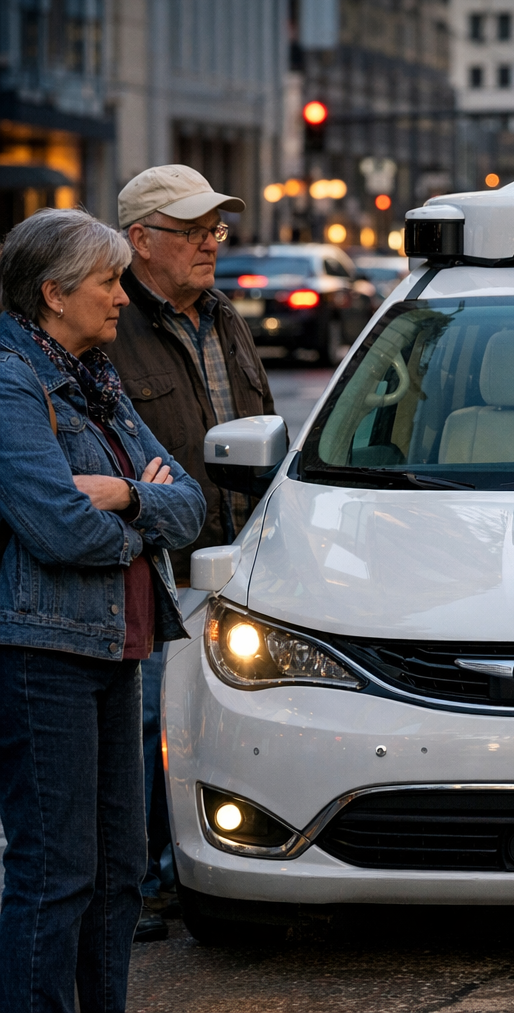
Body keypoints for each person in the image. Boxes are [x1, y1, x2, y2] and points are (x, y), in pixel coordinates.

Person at [0, 207, 206, 1013]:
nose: (122, 297)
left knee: (122, 872)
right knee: (56, 875)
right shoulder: (14, 381)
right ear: (53, 294)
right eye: (107, 281)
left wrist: (123, 495)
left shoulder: (98, 381)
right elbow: (53, 525)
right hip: (41, 654)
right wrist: (139, 523)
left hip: (121, 650)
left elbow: (186, 500)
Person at [103, 164, 279, 940]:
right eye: (194, 231)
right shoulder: (108, 323)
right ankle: (140, 881)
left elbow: (260, 420)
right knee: (147, 724)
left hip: (238, 558)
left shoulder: (222, 316)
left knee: (219, 721)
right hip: (153, 561)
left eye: (216, 228)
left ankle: (199, 860)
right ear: (141, 242)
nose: (213, 242)